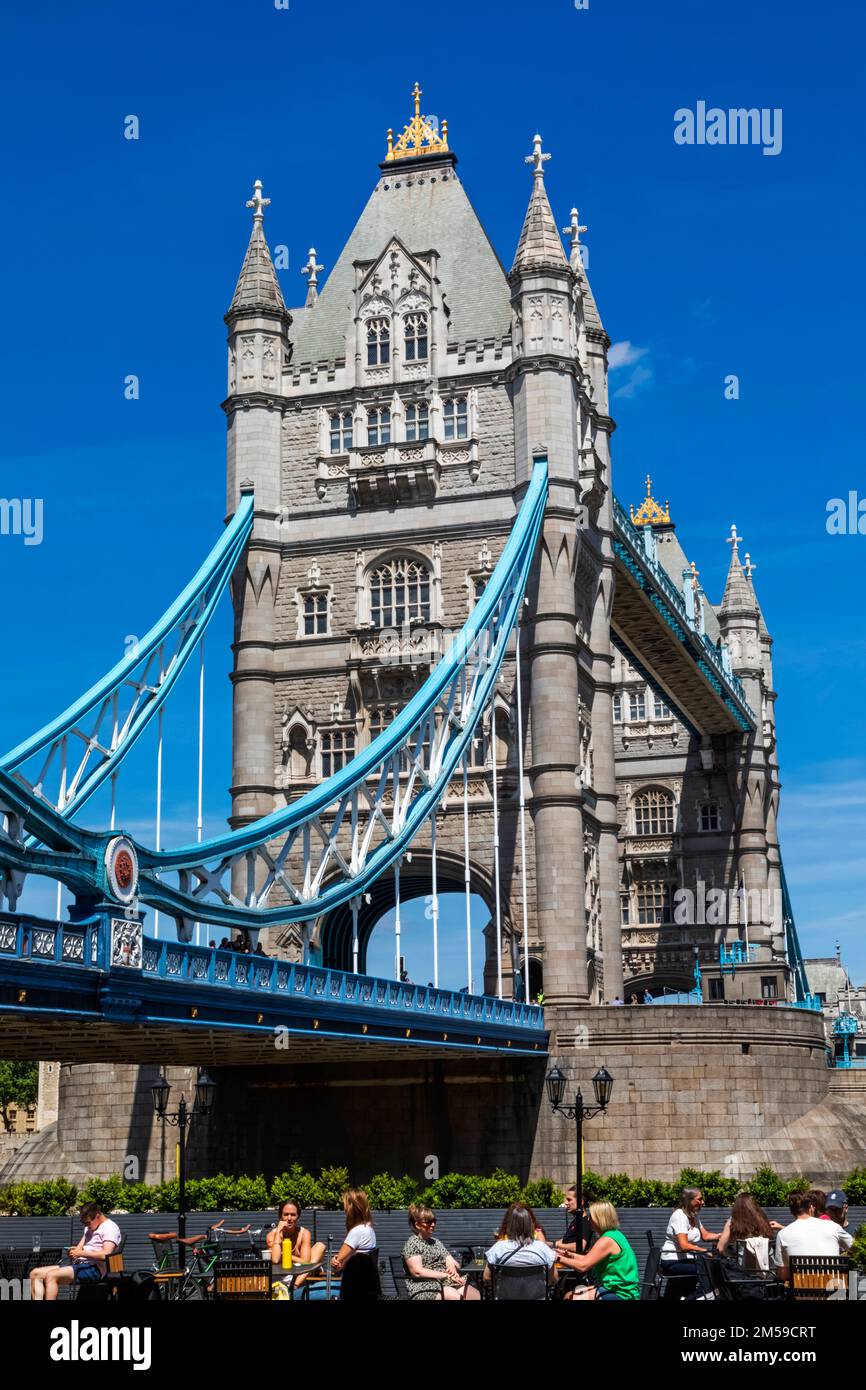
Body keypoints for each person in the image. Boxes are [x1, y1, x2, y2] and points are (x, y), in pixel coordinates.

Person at [30, 1202, 121, 1301]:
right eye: (83, 1223)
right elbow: (79, 1249)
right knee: (35, 1274)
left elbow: (106, 1255)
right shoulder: (89, 1228)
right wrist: (73, 1251)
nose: (86, 1225)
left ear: (98, 1216)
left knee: (51, 1275)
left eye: (87, 1222)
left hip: (95, 1269)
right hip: (81, 1265)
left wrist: (81, 1253)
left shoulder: (110, 1228)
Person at [557, 1201, 640, 1300]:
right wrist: (569, 1255)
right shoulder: (614, 1234)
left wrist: (557, 1258)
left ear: (599, 1219)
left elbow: (583, 1266)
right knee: (569, 1295)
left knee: (572, 1298)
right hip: (615, 1288)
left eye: (591, 1217)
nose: (588, 1219)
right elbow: (588, 1259)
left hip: (620, 1294)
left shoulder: (607, 1240)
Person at [402, 1204, 479, 1300]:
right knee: (454, 1296)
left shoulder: (436, 1242)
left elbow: (455, 1263)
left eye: (434, 1221)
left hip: (446, 1283)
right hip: (425, 1287)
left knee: (476, 1296)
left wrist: (451, 1265)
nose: (433, 1224)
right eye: (429, 1222)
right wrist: (446, 1276)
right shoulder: (412, 1243)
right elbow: (417, 1272)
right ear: (417, 1225)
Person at [774, 1191, 851, 1278]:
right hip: (833, 1289)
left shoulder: (782, 1234)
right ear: (811, 1208)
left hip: (800, 1290)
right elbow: (855, 1247)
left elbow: (783, 1274)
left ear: (792, 1212)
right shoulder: (833, 1226)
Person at [484, 1204, 557, 1288]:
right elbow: (553, 1279)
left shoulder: (498, 1247)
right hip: (537, 1296)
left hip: (506, 1296)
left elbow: (486, 1278)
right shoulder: (542, 1247)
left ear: (509, 1224)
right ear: (530, 1224)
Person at [659, 1187, 722, 1278]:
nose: (703, 1202)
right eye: (699, 1199)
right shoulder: (680, 1215)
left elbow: (705, 1235)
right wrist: (705, 1251)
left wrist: (722, 1236)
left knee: (713, 1266)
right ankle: (701, 1292)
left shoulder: (693, 1215)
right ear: (689, 1200)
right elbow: (684, 1246)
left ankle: (692, 1292)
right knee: (707, 1270)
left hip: (686, 1259)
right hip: (672, 1261)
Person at [266, 1198, 327, 1287]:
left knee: (320, 1246)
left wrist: (285, 1254)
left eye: (293, 1215)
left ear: (298, 1216)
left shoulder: (304, 1233)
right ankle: (293, 1286)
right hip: (282, 1275)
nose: (289, 1218)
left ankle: (294, 1285)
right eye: (286, 1214)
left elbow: (306, 1263)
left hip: (302, 1274)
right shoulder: (272, 1235)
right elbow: (275, 1260)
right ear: (280, 1216)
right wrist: (279, 1229)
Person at [717, 1193, 780, 1269]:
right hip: (769, 1268)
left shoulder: (732, 1223)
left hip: (745, 1271)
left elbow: (720, 1249)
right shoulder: (763, 1220)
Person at [331, 1189, 377, 1272]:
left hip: (353, 1279)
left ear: (351, 1207)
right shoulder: (369, 1228)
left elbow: (337, 1266)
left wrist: (334, 1261)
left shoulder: (357, 1231)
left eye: (345, 1205)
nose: (344, 1208)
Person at [555, 1187, 594, 1256]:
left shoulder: (584, 1222)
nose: (566, 1203)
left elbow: (581, 1246)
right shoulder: (576, 1221)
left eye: (569, 1200)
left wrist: (558, 1245)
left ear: (581, 1202)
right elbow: (563, 1241)